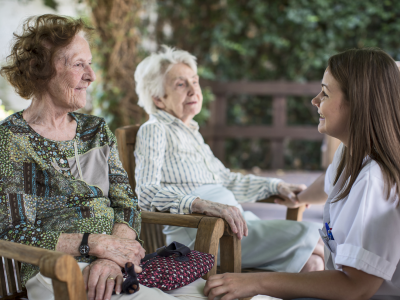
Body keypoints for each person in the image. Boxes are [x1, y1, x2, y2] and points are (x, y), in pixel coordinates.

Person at [0, 14, 206, 300]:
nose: (91, 75)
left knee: (210, 291)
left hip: (118, 261)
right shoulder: (12, 139)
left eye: (90, 64)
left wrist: (112, 255)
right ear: (41, 70)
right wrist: (94, 244)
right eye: (78, 64)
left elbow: (127, 204)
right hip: (58, 269)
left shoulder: (95, 130)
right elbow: (14, 233)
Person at [204, 48, 400, 300]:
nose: (315, 100)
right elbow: (327, 183)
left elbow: (357, 288)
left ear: (359, 103)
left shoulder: (374, 180)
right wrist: (300, 197)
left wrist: (256, 282)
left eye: (325, 93)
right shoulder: (350, 155)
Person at [134, 46, 324, 274]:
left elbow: (226, 180)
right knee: (314, 237)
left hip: (234, 228)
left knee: (313, 264)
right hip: (203, 237)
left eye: (195, 81)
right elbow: (145, 192)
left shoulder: (191, 132)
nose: (194, 91)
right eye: (181, 84)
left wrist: (276, 186)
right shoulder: (155, 129)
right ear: (159, 99)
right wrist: (201, 204)